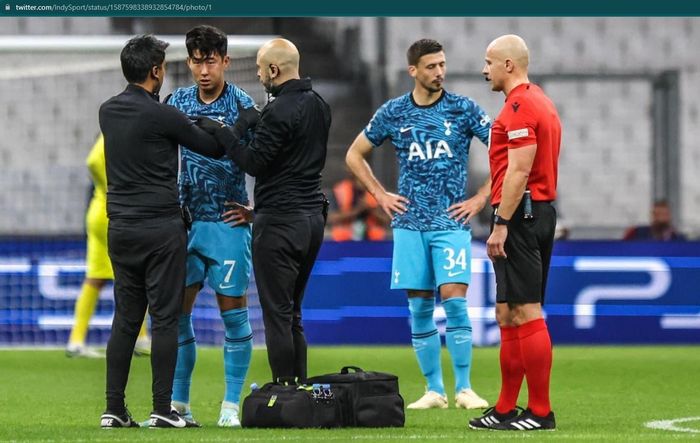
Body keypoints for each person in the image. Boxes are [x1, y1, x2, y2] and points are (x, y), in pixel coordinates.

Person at [345, 39, 491, 410]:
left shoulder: (463, 109)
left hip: (450, 222)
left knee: (455, 304)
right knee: (419, 308)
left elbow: (503, 152)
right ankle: (434, 390)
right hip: (409, 224)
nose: (439, 72)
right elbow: (354, 154)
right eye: (431, 66)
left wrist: (480, 198)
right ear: (413, 71)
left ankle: (465, 388)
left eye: (442, 65)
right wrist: (380, 195)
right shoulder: (394, 112)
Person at [98, 34, 223, 429]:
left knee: (125, 320)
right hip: (160, 229)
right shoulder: (163, 114)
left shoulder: (107, 111)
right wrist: (222, 124)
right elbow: (213, 148)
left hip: (120, 228)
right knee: (165, 319)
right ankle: (162, 408)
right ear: (155, 71)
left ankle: (113, 409)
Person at [197, 38, 331, 383]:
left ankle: (284, 390)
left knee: (277, 314)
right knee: (293, 314)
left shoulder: (279, 110)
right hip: (312, 218)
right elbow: (294, 164)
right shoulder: (320, 105)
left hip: (281, 223)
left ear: (274, 69)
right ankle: (299, 388)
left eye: (260, 69)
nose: (258, 75)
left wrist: (225, 132)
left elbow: (253, 162)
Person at [469, 34, 560, 431]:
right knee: (506, 312)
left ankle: (540, 412)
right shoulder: (534, 101)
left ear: (509, 65)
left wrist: (501, 225)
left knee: (525, 310)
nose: (483, 69)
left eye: (489, 61)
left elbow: (520, 171)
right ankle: (506, 408)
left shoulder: (521, 106)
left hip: (521, 216)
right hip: (528, 213)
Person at [166, 25, 255, 428]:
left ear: (225, 62)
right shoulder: (177, 102)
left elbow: (267, 160)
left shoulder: (243, 104)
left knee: (233, 315)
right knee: (177, 315)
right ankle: (178, 405)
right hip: (185, 223)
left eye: (211, 61)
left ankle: (230, 405)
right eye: (197, 61)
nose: (204, 70)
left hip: (227, 222)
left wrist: (258, 209)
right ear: (188, 62)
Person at [66, 134, 151, 359]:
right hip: (115, 213)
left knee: (95, 277)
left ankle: (76, 341)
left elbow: (92, 162)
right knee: (134, 275)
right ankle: (140, 339)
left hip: (97, 211)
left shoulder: (109, 136)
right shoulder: (112, 136)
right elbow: (93, 162)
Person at [327, 173, 390, 241]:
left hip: (372, 241)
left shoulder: (377, 192)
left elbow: (386, 219)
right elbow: (331, 218)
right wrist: (357, 210)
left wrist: (370, 209)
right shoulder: (340, 190)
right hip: (344, 241)